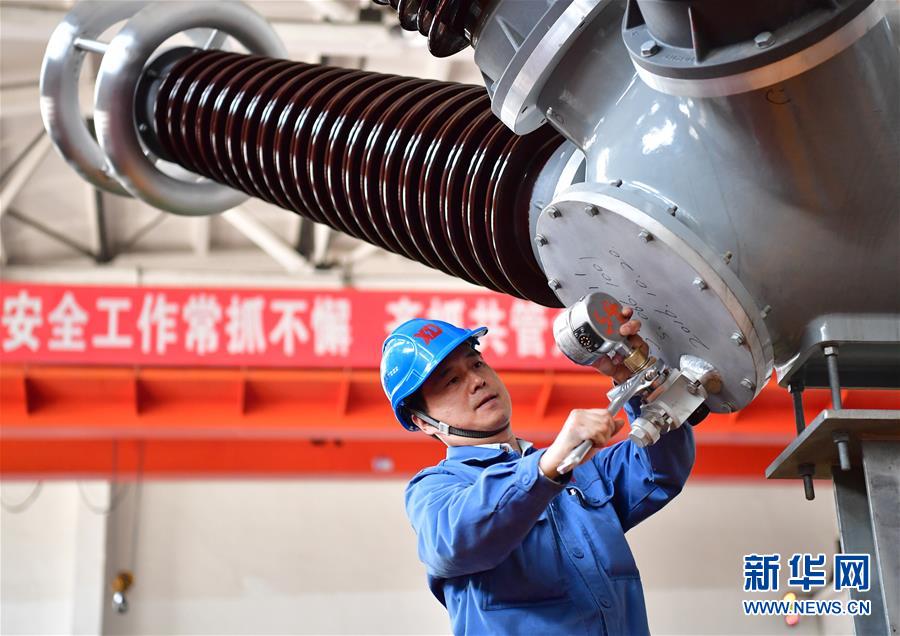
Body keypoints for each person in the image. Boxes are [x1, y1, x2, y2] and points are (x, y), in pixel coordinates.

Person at [380, 309, 705, 635]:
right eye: (452, 380)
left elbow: (660, 472)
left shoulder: (579, 468)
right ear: (423, 421)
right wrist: (546, 467)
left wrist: (636, 379)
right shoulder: (434, 490)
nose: (477, 381)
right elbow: (455, 541)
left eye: (476, 364)